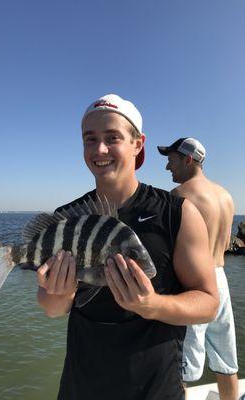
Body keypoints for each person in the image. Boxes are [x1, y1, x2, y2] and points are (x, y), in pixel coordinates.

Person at [37, 95, 219, 400]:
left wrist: (152, 305)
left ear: (137, 143)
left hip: (156, 388)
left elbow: (209, 304)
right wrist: (60, 293)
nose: (100, 149)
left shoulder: (177, 213)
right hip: (82, 386)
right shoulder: (67, 219)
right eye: (90, 139)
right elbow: (52, 308)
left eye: (113, 138)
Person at [157, 137, 239, 400]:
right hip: (221, 281)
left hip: (193, 286)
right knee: (226, 362)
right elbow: (225, 243)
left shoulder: (177, 198)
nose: (168, 167)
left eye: (171, 160)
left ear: (187, 159)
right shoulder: (226, 196)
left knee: (182, 369)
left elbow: (164, 253)